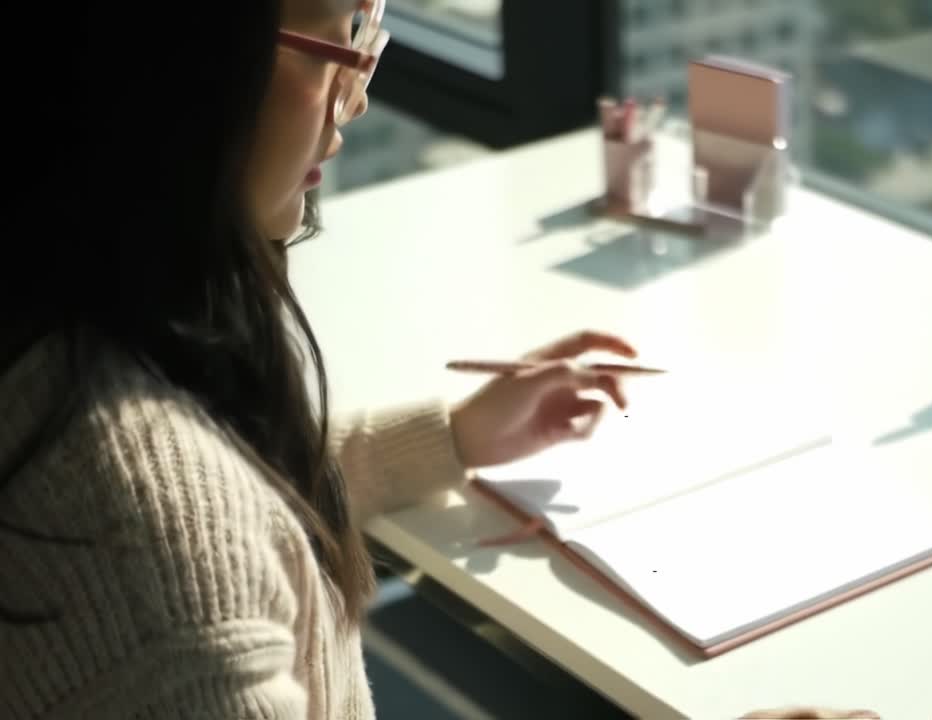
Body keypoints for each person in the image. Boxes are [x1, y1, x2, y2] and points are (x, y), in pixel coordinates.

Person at [0, 0, 873, 717]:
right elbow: (193, 530)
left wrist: (450, 438)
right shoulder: (145, 556)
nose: (356, 99)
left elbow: (238, 509)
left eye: (367, 33)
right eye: (337, 37)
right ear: (169, 63)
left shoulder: (65, 333)